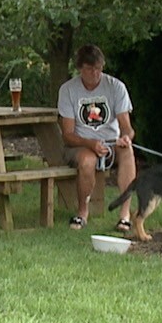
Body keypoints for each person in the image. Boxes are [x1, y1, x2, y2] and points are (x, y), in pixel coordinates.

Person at [57, 44, 136, 231]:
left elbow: (127, 128)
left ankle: (125, 214)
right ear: (79, 68)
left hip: (111, 142)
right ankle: (82, 211)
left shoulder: (116, 87)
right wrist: (90, 143)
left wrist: (126, 138)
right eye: (90, 69)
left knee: (127, 151)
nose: (95, 74)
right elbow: (67, 135)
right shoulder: (68, 90)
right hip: (80, 143)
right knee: (87, 160)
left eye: (99, 69)